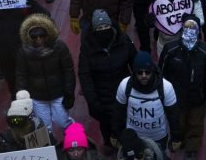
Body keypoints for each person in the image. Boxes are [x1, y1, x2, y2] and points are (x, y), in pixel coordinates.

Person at [158, 15, 206, 160]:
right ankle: (179, 139)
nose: (190, 31)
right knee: (177, 122)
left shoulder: (205, 51)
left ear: (198, 30)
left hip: (197, 97)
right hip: (175, 97)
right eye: (187, 27)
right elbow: (161, 73)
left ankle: (192, 148)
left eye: (193, 28)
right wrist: (160, 94)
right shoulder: (170, 50)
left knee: (195, 124)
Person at [78, 9, 135, 149]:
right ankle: (109, 142)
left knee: (125, 119)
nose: (103, 30)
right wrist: (92, 100)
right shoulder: (87, 47)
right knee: (105, 121)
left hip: (123, 90)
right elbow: (85, 75)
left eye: (106, 27)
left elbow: (135, 62)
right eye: (100, 28)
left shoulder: (123, 41)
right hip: (101, 94)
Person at [15, 14, 75, 140]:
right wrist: (21, 96)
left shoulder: (59, 48)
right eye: (34, 36)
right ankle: (49, 152)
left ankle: (75, 140)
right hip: (38, 96)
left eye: (42, 35)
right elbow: (21, 75)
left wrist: (69, 92)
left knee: (63, 121)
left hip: (58, 93)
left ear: (47, 35)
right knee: (44, 127)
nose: (38, 39)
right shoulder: (24, 52)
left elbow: (68, 70)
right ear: (29, 37)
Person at [115, 51, 180, 151]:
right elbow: (118, 112)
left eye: (147, 72)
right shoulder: (125, 85)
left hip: (159, 139)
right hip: (133, 137)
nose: (144, 75)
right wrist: (116, 134)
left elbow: (173, 115)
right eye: (140, 72)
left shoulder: (166, 87)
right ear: (134, 72)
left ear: (153, 71)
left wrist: (175, 138)